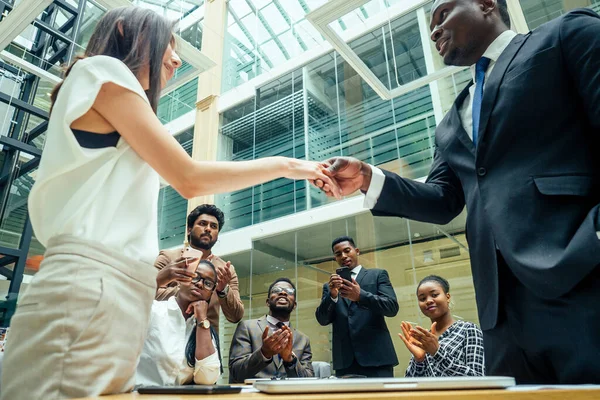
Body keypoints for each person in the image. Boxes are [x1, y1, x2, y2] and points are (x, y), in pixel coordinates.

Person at [0, 6, 340, 399]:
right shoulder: (101, 70)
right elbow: (189, 175)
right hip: (89, 286)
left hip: (116, 292)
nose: (177, 58)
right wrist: (288, 164)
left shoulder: (105, 98)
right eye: (170, 45)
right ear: (126, 31)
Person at [316, 0, 600, 384]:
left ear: (486, 4)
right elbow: (442, 200)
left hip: (583, 280)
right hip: (500, 311)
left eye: (443, 14)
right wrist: (369, 177)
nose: (433, 30)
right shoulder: (451, 121)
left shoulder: (566, 35)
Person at [315, 236, 398, 377]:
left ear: (357, 251)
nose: (343, 256)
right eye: (338, 254)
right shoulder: (329, 287)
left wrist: (361, 296)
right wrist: (333, 296)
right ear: (335, 258)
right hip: (345, 362)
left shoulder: (377, 275)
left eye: (347, 250)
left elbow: (391, 307)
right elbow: (322, 320)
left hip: (378, 359)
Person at [154, 204, 243, 333]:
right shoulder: (169, 258)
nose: (208, 229)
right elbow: (147, 292)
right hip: (166, 333)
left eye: (213, 226)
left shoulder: (226, 270)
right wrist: (185, 292)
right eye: (202, 223)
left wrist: (223, 290)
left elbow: (236, 316)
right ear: (189, 230)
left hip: (206, 340)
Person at [136, 260, 222, 386]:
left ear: (211, 293)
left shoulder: (203, 329)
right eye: (195, 277)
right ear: (181, 280)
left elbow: (207, 379)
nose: (200, 284)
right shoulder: (154, 310)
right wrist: (158, 279)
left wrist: (202, 320)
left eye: (208, 283)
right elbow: (122, 310)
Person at [229, 278, 314, 382]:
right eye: (276, 290)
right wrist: (264, 353)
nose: (283, 293)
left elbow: (309, 380)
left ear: (294, 305)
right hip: (254, 395)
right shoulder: (246, 327)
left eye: (289, 292)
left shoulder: (303, 340)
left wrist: (290, 360)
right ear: (268, 302)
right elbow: (236, 372)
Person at [399, 275, 484, 377]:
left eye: (434, 295)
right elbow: (411, 387)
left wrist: (437, 352)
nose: (428, 301)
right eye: (422, 298)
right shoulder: (424, 340)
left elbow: (478, 378)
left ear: (447, 297)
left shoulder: (468, 330)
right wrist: (419, 360)